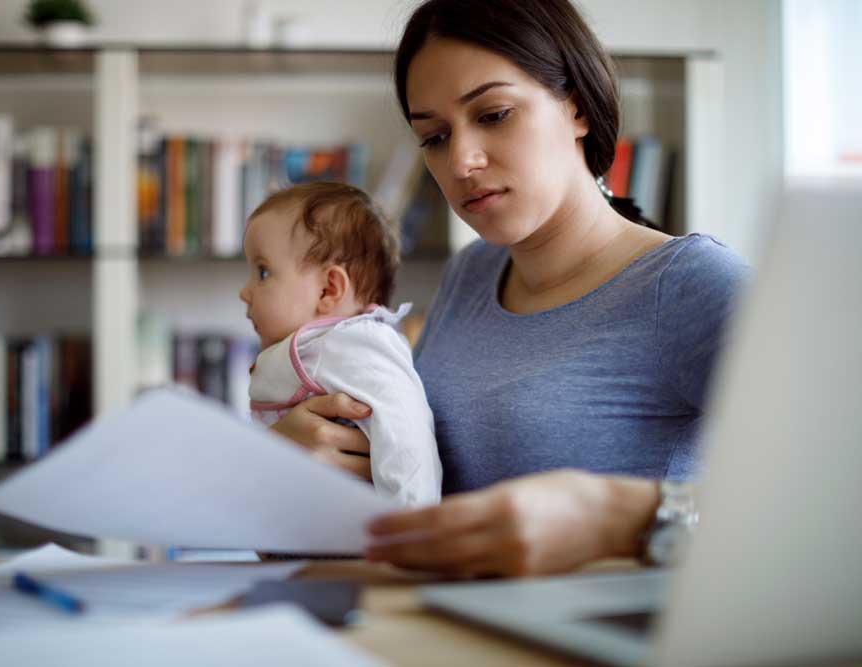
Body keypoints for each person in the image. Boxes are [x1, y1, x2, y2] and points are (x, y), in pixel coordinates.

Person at [268, 0, 751, 577]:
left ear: (575, 105)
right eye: (435, 137)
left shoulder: (689, 285)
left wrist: (622, 518)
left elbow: (831, 499)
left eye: (493, 114)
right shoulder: (470, 275)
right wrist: (305, 465)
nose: (462, 162)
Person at [240, 181, 442, 507]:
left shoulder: (355, 344)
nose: (245, 292)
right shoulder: (314, 348)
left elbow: (404, 428)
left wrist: (411, 523)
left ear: (328, 290)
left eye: (262, 273)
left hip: (374, 545)